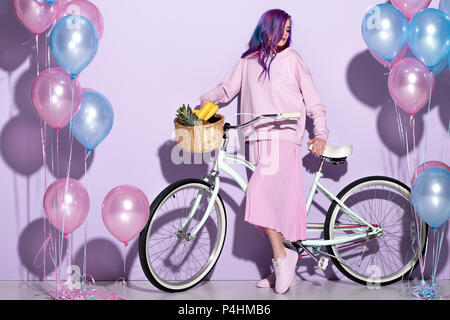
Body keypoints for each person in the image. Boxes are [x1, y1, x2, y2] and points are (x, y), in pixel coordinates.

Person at [199, 9, 329, 294]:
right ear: (267, 28)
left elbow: (313, 99)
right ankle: (288, 257)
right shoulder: (247, 62)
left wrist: (320, 133)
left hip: (284, 137)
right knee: (267, 207)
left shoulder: (292, 59)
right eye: (281, 29)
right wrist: (206, 100)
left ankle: (281, 260)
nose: (285, 35)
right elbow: (225, 89)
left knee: (258, 195)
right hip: (256, 140)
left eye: (288, 31)